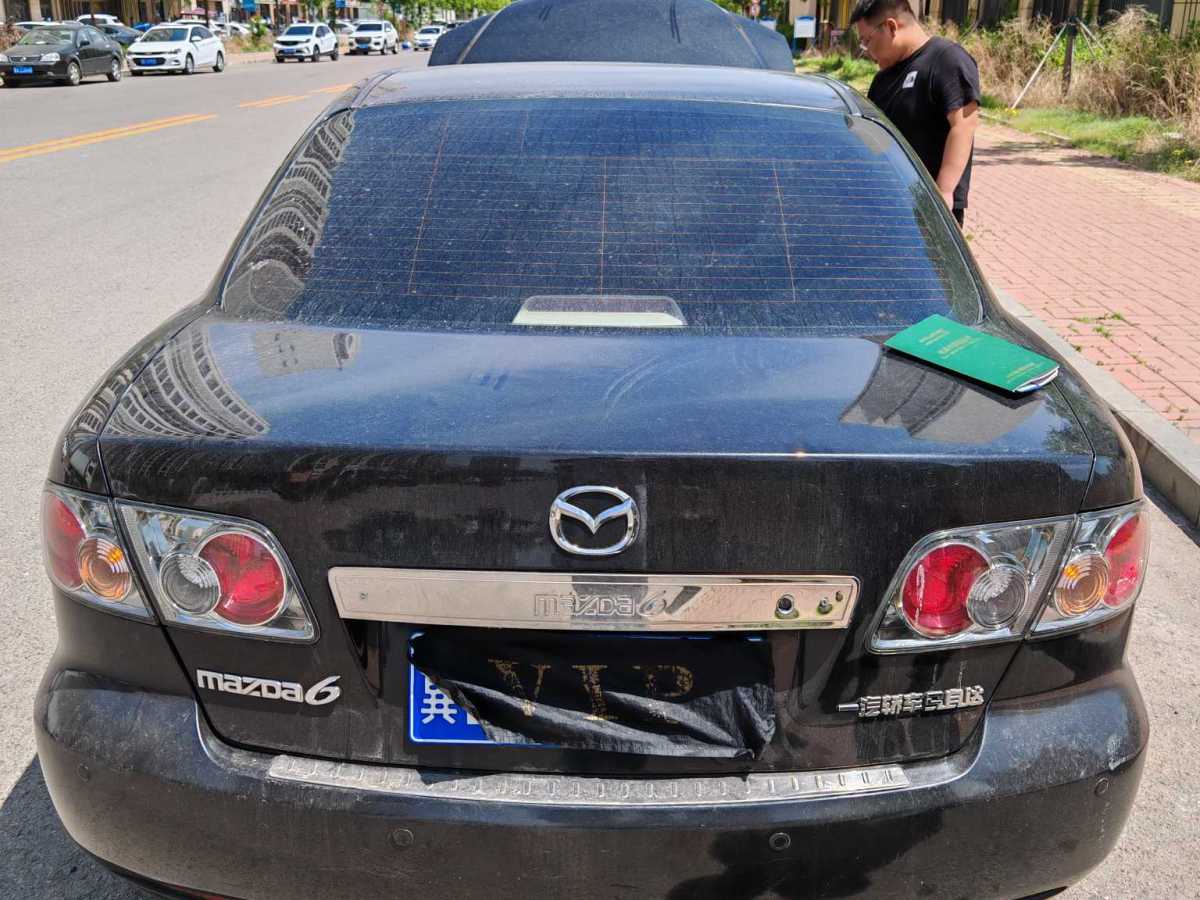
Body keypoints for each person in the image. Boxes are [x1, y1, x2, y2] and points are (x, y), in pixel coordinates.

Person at [851, 0, 980, 227]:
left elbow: (963, 125)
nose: (866, 51)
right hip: (890, 203)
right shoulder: (882, 80)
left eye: (866, 40)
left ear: (891, 27)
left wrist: (943, 193)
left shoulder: (946, 60)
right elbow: (878, 142)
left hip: (929, 209)